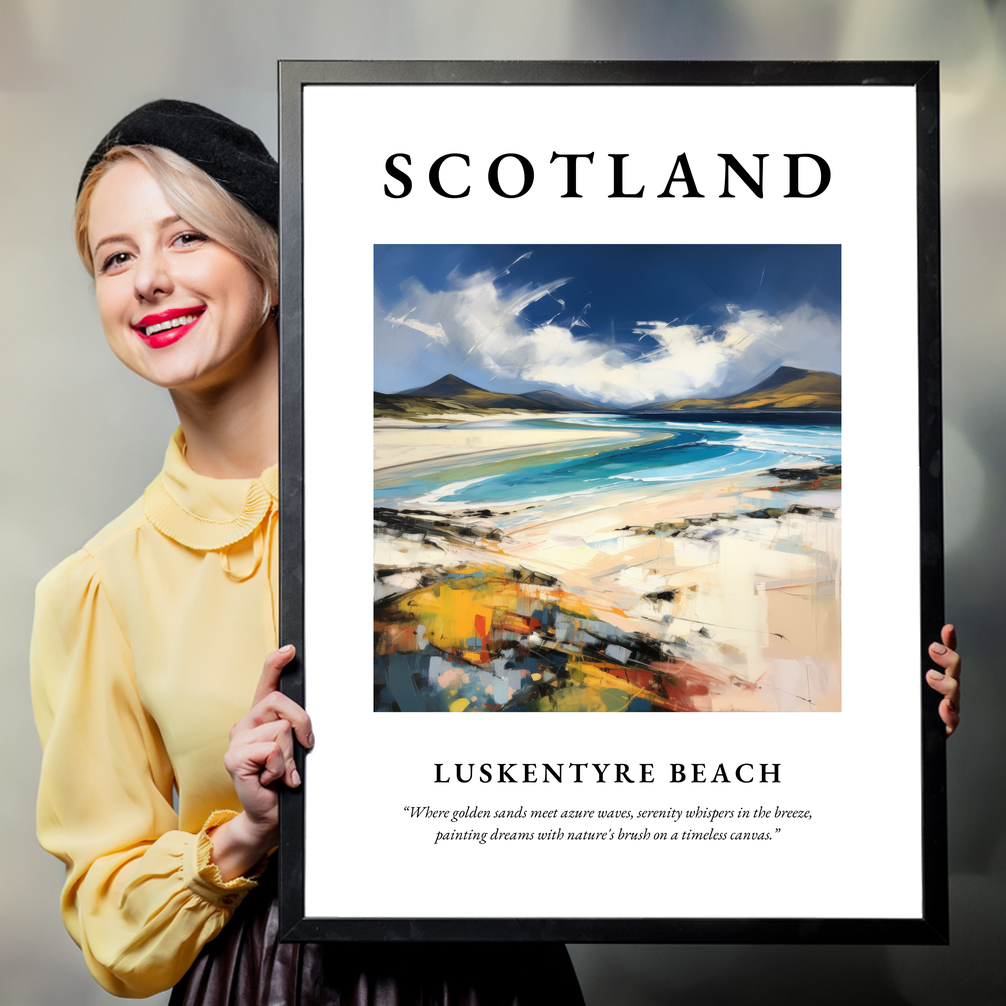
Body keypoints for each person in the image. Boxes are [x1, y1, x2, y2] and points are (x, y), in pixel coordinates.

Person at [30, 100, 585, 1004]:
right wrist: (245, 832)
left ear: (273, 264)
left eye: (186, 239)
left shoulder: (448, 495)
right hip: (263, 982)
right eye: (116, 257)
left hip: (492, 973)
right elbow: (110, 924)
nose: (148, 281)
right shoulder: (97, 587)